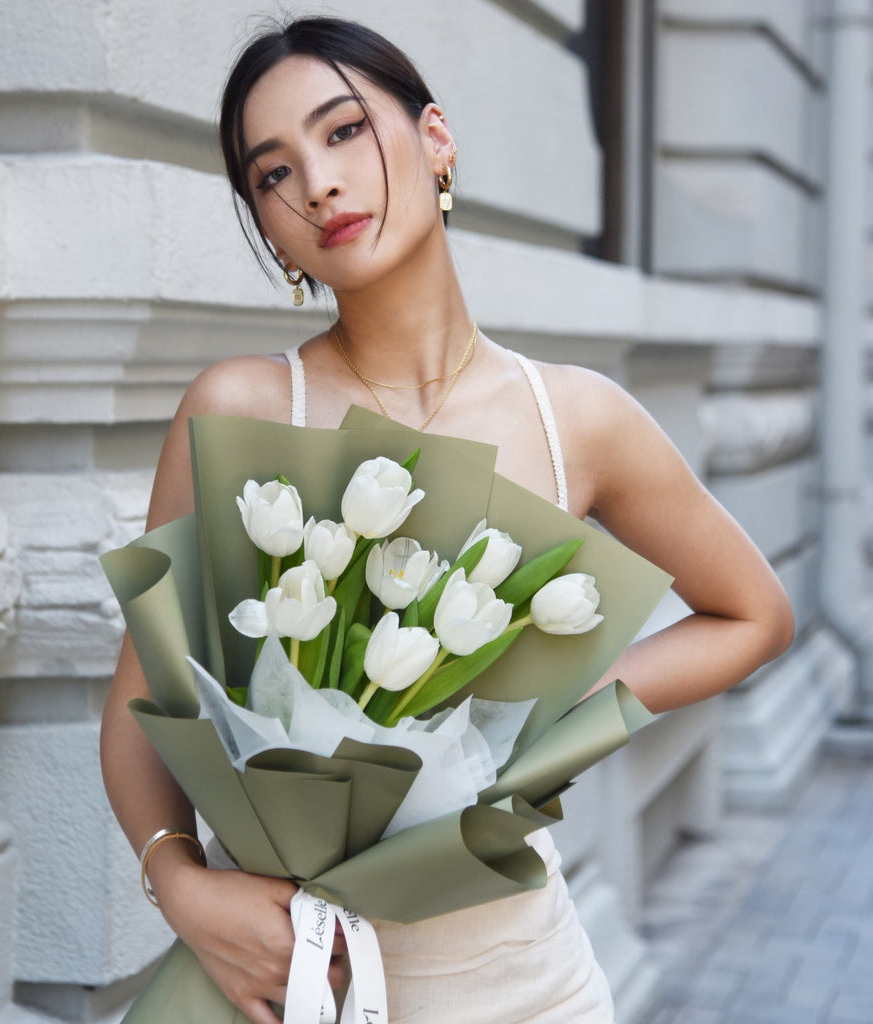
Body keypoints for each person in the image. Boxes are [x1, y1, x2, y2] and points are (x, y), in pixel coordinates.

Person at [100, 16, 794, 1024]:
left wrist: (550, 719)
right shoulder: (242, 410)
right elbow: (139, 703)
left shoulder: (577, 418)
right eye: (272, 174)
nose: (318, 185)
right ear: (268, 228)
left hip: (522, 985)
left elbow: (753, 615)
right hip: (293, 983)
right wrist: (180, 881)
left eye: (342, 132)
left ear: (435, 141)